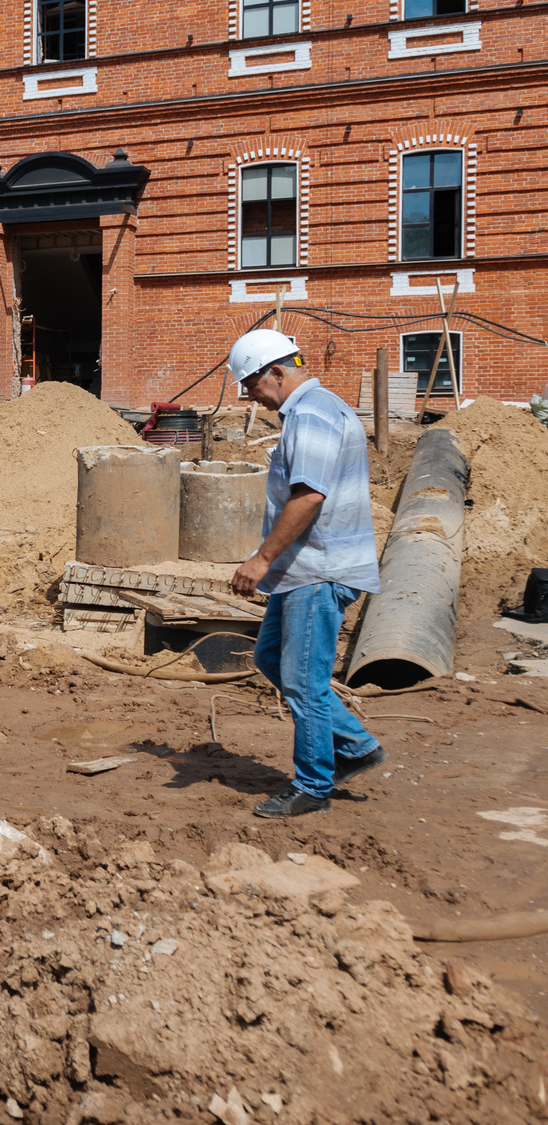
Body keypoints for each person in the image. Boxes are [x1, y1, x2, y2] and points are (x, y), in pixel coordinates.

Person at [226, 328, 386, 818]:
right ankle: (356, 746)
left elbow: (309, 495)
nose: (250, 396)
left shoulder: (312, 414)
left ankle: (313, 786)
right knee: (272, 660)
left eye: (251, 385)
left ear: (276, 372)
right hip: (304, 571)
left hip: (319, 570)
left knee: (303, 679)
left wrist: (261, 558)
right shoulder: (314, 409)